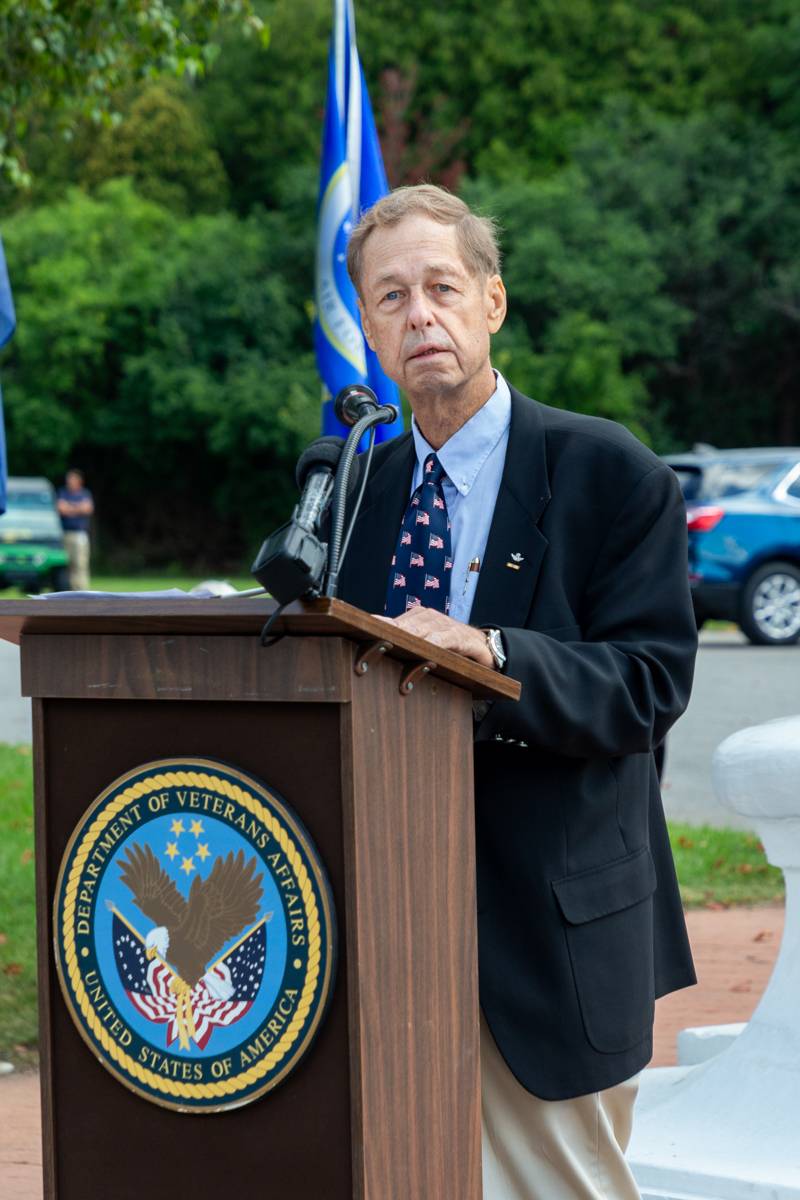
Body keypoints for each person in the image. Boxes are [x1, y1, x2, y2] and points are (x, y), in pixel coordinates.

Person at [335, 185, 698, 1200]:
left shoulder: (608, 473)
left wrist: (489, 649)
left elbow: (646, 685)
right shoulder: (353, 491)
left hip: (550, 935)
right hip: (386, 931)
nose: (419, 317)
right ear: (366, 326)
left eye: (441, 287)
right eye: (391, 297)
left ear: (491, 301)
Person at [56, 468, 94, 591]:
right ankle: (69, 591)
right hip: (65, 533)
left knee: (80, 564)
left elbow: (87, 509)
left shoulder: (84, 493)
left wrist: (70, 508)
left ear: (79, 481)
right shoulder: (63, 492)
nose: (69, 481)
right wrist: (78, 509)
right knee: (67, 564)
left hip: (79, 534)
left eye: (72, 479)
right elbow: (61, 508)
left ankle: (82, 590)